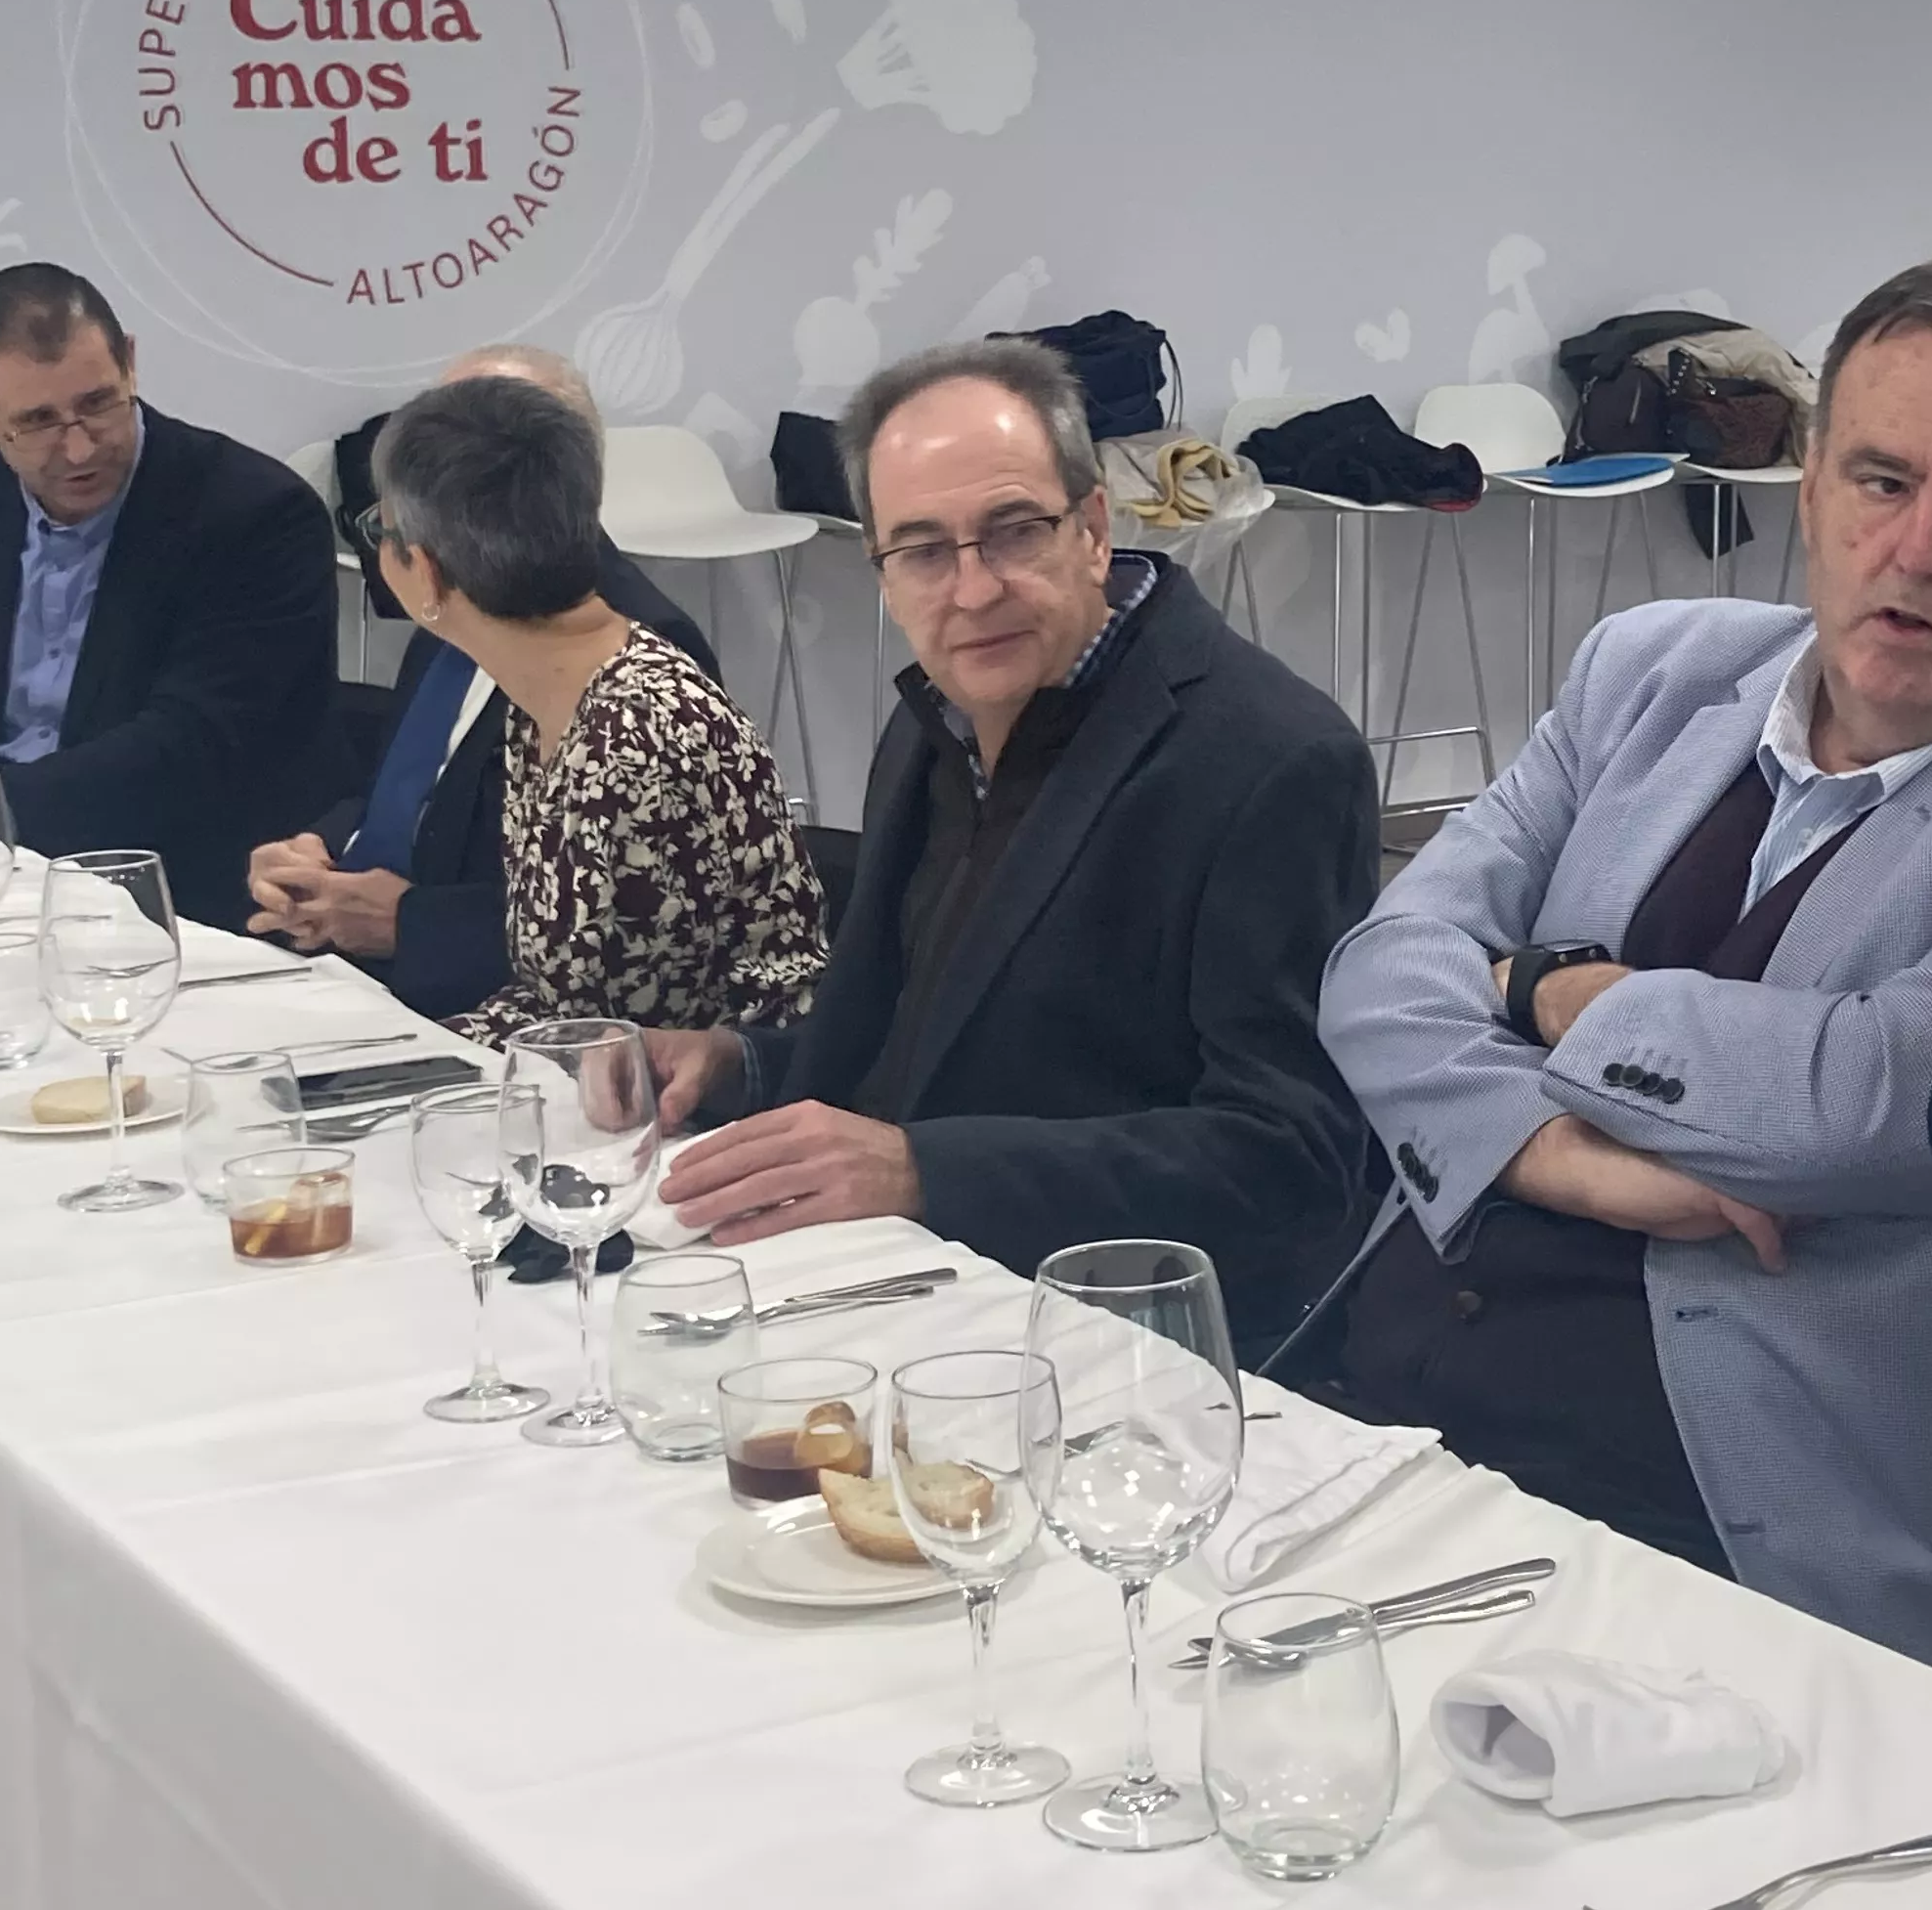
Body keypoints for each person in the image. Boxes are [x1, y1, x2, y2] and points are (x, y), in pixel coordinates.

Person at [1315, 258, 1932, 1682]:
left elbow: (1875, 1100)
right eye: (1882, 481)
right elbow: (1382, 966)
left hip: (1771, 1524)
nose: (1920, 546)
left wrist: (1550, 991)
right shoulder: (1647, 672)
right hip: (1389, 1392)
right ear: (1811, 493)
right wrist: (1546, 1156)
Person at [652, 340, 1376, 1335]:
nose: (973, 588)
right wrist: (743, 1064)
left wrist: (921, 1170)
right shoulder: (932, 722)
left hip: (1111, 1343)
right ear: (880, 571)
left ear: (1091, 527)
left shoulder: (1269, 760)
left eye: (1012, 531)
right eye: (922, 549)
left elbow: (1292, 1159)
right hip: (900, 1284)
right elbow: (931, 1044)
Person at [0, 263, 334, 929]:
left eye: (98, 403)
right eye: (37, 422)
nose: (78, 447)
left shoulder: (254, 512)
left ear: (130, 363)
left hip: (176, 887)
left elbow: (187, 750)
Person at [243, 343, 719, 1020]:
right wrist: (314, 854)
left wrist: (405, 923)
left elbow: (633, 940)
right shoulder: (455, 619)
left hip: (480, 1012)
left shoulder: (633, 665)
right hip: (351, 972)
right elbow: (402, 797)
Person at [360, 374, 825, 1047]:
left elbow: (615, 1037)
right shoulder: (551, 695)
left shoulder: (631, 738)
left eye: (382, 529)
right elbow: (555, 1001)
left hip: (696, 1115)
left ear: (426, 574)